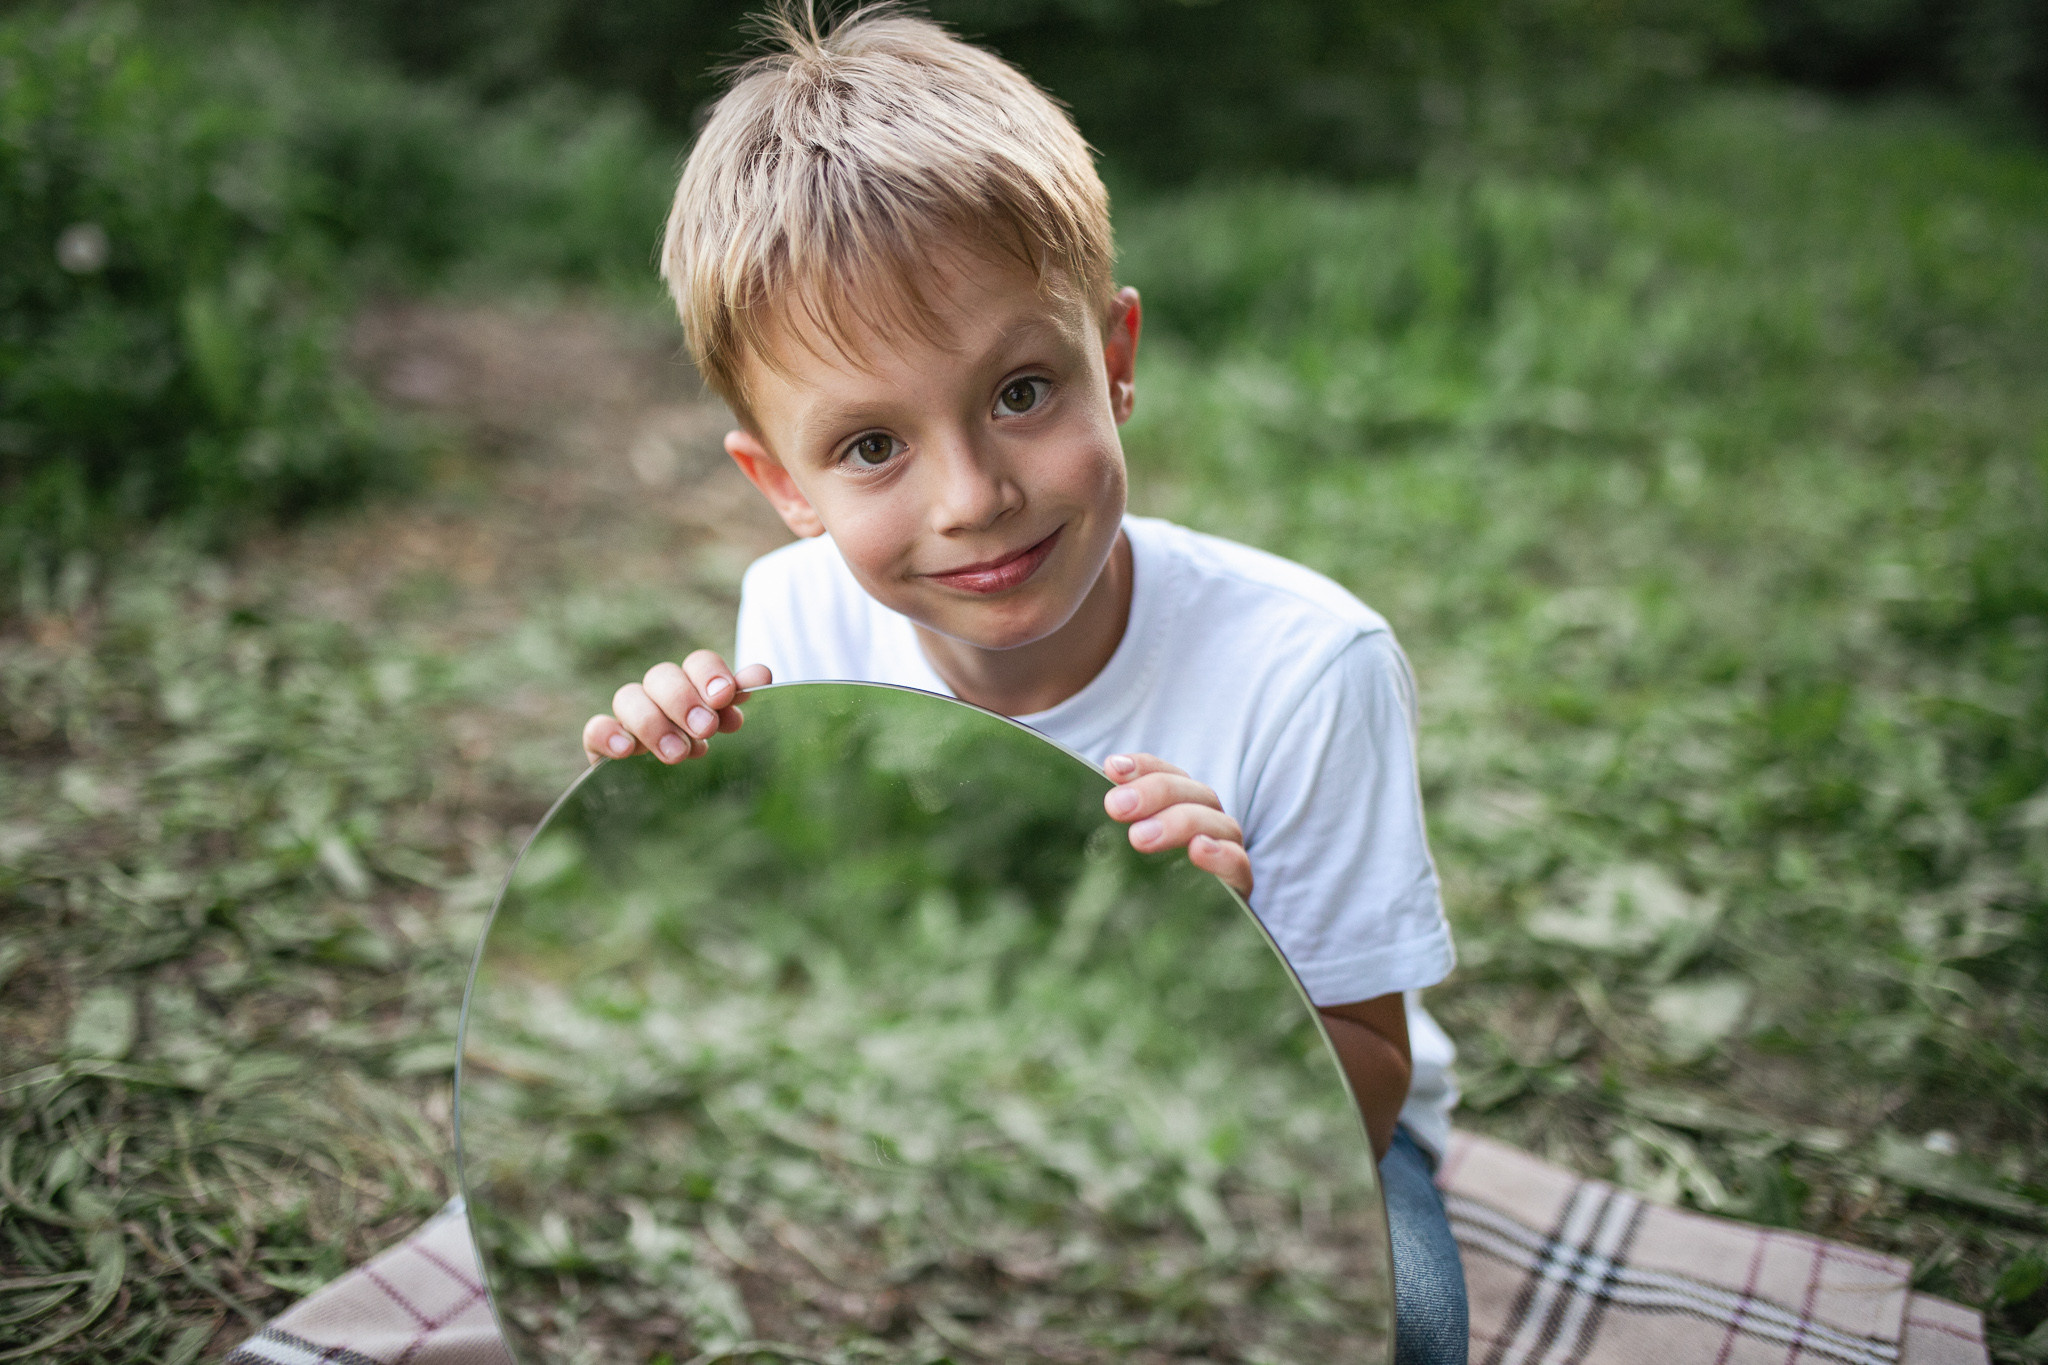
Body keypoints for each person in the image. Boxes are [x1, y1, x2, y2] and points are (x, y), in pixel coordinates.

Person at [580, 6, 1468, 1360]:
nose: (974, 496)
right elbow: (814, 990)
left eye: (1022, 392)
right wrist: (669, 825)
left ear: (1114, 361)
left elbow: (1366, 1077)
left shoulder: (1307, 668)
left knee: (1400, 1325)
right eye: (873, 443)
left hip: (1287, 1134)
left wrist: (1218, 978)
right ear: (781, 486)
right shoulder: (792, 620)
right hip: (958, 1100)